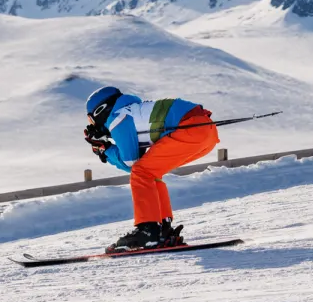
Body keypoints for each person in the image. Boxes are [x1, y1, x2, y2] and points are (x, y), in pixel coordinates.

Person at [82, 86, 220, 252]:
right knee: (148, 172)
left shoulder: (118, 118)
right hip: (205, 132)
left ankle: (147, 231)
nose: (93, 125)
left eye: (91, 120)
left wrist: (106, 149)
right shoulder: (131, 111)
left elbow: (131, 163)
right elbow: (138, 168)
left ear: (100, 111)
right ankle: (162, 228)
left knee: (142, 172)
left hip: (191, 128)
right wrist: (107, 147)